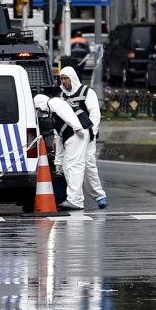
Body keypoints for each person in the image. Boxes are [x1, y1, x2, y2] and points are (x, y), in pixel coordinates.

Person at [39, 66, 106, 211]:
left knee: (88, 165)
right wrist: (58, 138)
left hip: (85, 134)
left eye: (65, 78)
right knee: (75, 166)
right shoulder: (62, 97)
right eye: (61, 79)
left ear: (72, 78)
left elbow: (95, 114)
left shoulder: (87, 92)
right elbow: (61, 120)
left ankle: (97, 195)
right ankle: (86, 196)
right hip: (73, 135)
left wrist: (91, 134)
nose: (63, 82)